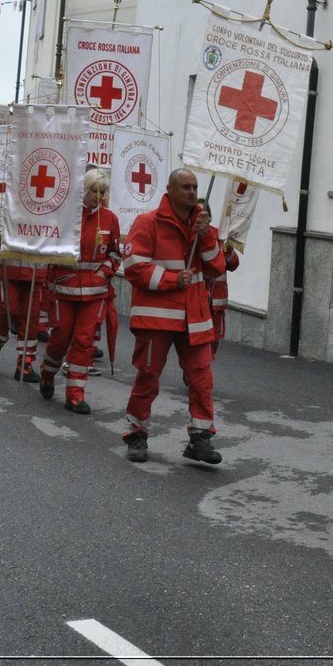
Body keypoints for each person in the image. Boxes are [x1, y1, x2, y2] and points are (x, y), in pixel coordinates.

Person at [120, 168, 227, 464]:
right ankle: (136, 433)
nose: (192, 192)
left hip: (194, 316)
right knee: (149, 376)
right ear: (170, 190)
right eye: (186, 187)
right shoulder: (148, 223)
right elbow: (133, 266)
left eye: (195, 187)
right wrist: (171, 279)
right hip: (157, 318)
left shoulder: (203, 226)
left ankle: (200, 438)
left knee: (202, 378)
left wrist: (206, 238)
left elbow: (217, 268)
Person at [38, 169, 121, 413]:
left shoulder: (110, 219)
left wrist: (103, 273)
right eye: (94, 191)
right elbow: (47, 244)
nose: (99, 196)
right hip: (64, 287)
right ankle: (48, 372)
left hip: (95, 292)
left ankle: (75, 393)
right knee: (60, 337)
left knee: (85, 342)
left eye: (103, 191)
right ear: (83, 191)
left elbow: (116, 252)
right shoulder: (65, 215)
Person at [199, 201, 239, 353]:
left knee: (212, 344)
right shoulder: (189, 236)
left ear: (209, 217)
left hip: (215, 304)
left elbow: (233, 264)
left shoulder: (219, 236)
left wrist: (227, 247)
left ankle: (200, 372)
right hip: (197, 300)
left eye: (204, 215)